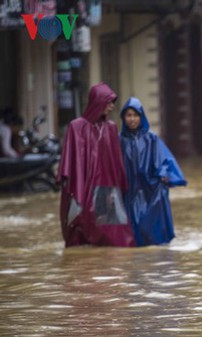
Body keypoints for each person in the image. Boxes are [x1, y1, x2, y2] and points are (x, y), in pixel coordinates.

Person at [57, 82, 135, 247]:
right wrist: (66, 181)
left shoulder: (111, 128)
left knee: (114, 237)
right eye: (109, 102)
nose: (112, 106)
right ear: (98, 101)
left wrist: (120, 187)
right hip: (81, 187)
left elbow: (116, 161)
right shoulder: (76, 126)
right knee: (80, 232)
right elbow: (70, 159)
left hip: (106, 190)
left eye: (113, 102)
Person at [119, 97, 187, 246]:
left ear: (141, 116)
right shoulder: (119, 141)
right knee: (130, 232)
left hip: (149, 190)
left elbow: (164, 160)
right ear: (123, 117)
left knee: (150, 231)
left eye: (135, 115)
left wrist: (165, 174)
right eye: (129, 115)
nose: (132, 119)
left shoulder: (151, 139)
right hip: (127, 192)